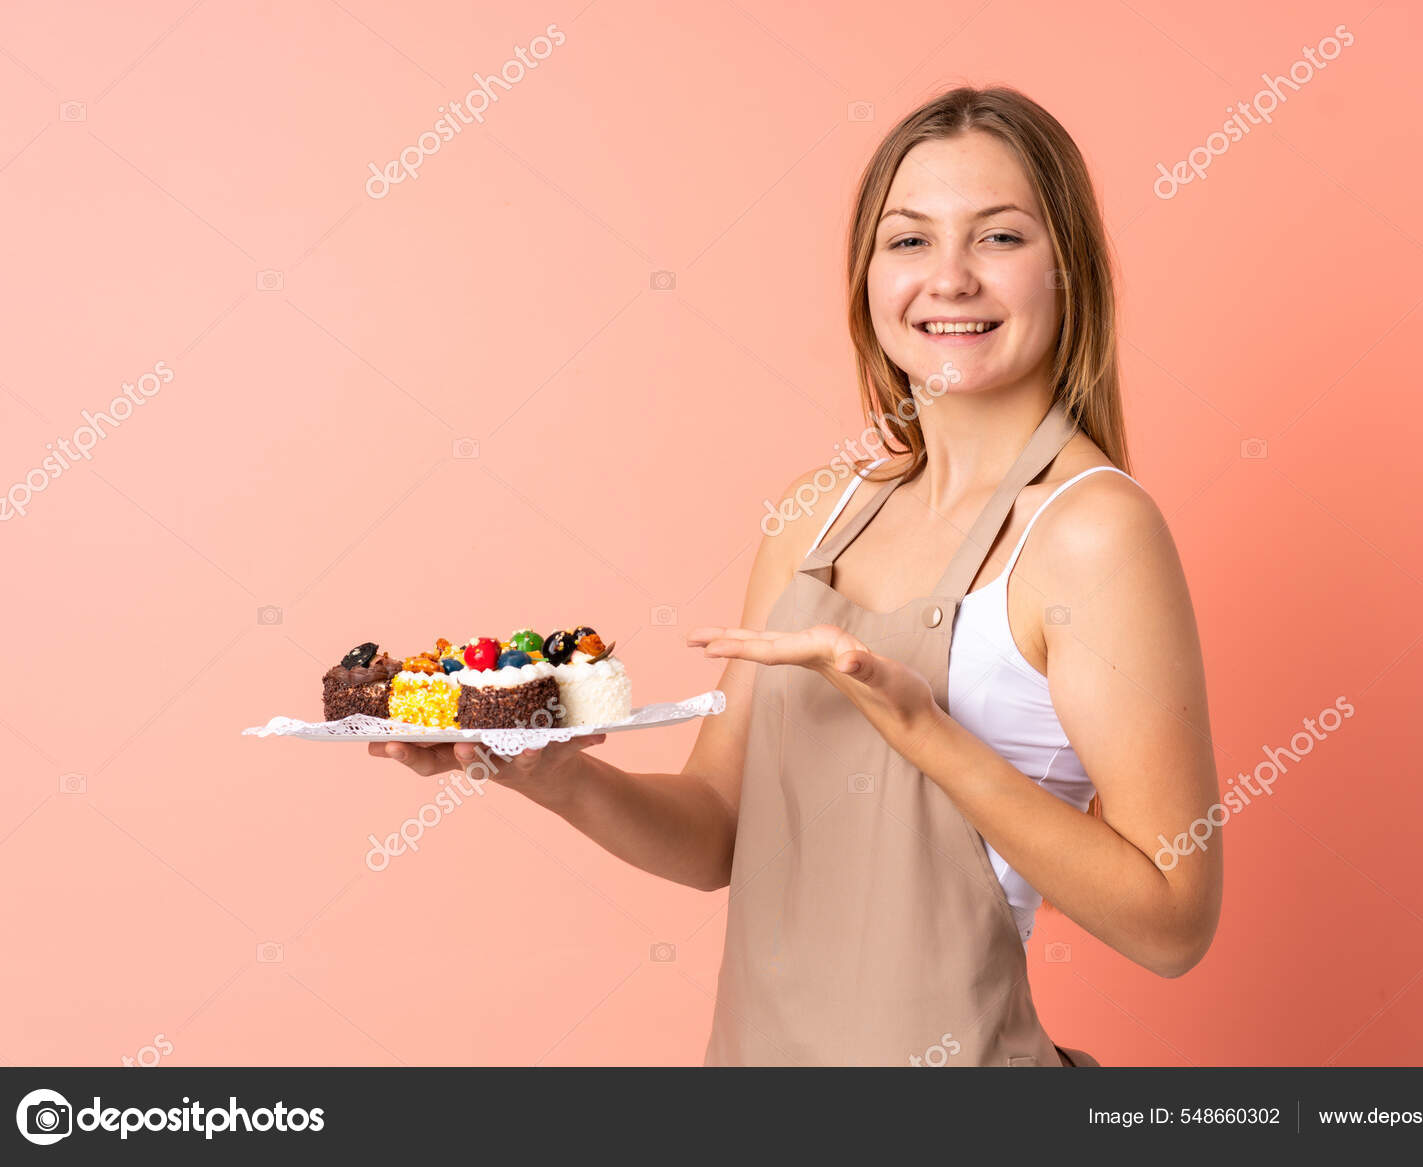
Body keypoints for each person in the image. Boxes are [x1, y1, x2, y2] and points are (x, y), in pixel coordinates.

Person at [373, 86, 1222, 1067]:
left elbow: (1172, 924)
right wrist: (555, 776)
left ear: (1068, 270)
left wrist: (920, 729)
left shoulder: (1092, 532)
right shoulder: (813, 516)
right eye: (909, 240)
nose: (948, 278)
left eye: (998, 237)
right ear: (867, 276)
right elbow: (717, 832)